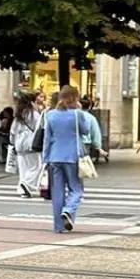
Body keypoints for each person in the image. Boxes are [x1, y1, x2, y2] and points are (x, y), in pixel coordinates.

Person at [43, 85, 98, 233]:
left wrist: (45, 158)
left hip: (54, 157)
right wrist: (79, 110)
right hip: (72, 156)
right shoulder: (77, 114)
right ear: (75, 99)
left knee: (57, 192)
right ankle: (68, 210)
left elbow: (47, 138)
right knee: (76, 189)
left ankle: (58, 226)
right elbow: (85, 131)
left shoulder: (50, 115)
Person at [11, 92, 45, 198]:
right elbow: (40, 126)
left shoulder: (18, 114)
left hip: (19, 144)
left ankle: (23, 189)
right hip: (30, 143)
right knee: (37, 167)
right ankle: (25, 184)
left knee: (23, 168)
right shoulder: (33, 114)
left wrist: (12, 142)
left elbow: (13, 130)